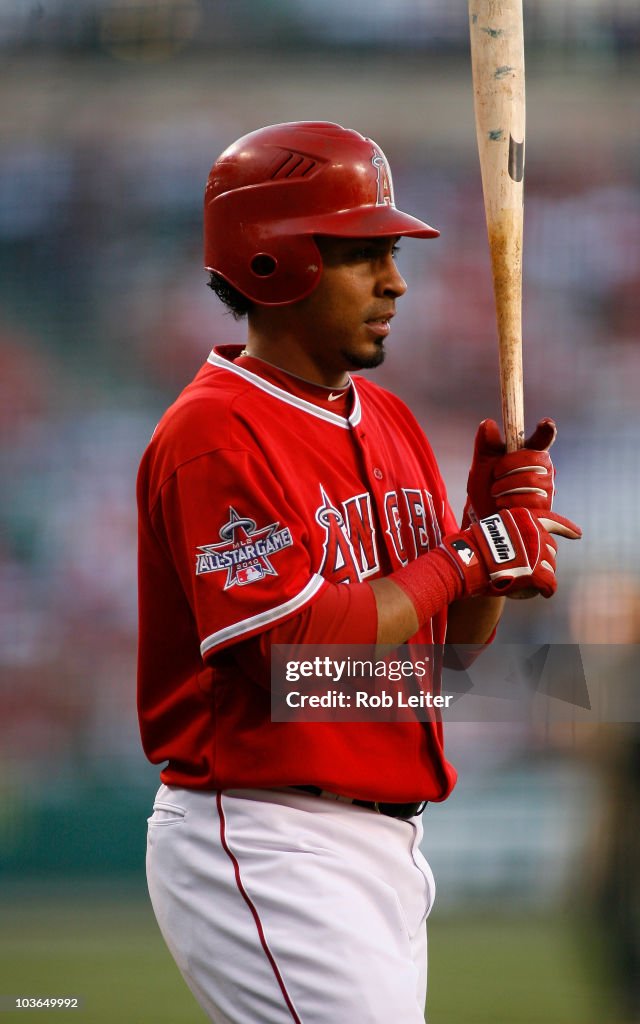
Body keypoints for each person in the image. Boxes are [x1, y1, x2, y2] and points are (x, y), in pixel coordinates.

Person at [137, 121, 581, 1024]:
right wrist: (463, 558)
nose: (396, 280)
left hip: (383, 846)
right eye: (362, 254)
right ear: (273, 262)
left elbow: (445, 654)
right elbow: (294, 657)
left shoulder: (388, 418)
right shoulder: (214, 433)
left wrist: (495, 547)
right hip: (267, 837)